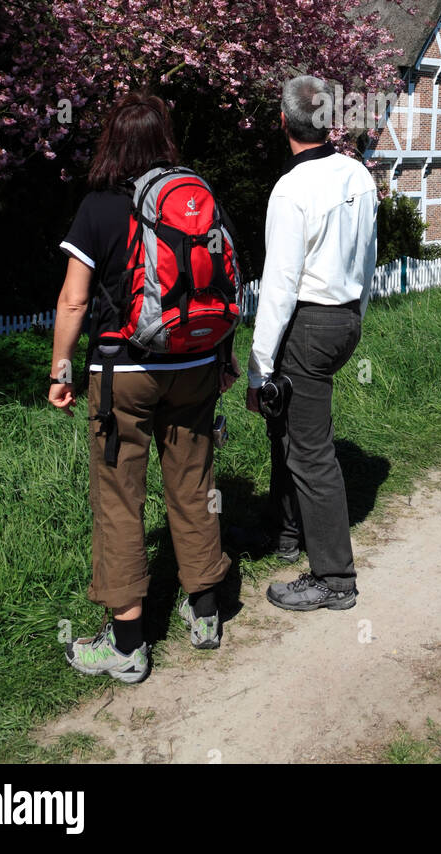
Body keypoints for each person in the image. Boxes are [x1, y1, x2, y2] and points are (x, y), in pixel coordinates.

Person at [48, 91, 239, 682]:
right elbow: (229, 283)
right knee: (194, 483)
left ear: (112, 142)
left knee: (119, 498)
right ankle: (205, 612)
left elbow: (74, 299)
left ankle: (127, 645)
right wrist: (226, 356)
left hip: (123, 375)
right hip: (197, 364)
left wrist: (60, 369)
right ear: (165, 140)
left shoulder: (99, 207)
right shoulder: (196, 198)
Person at [246, 75, 378, 612]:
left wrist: (257, 370)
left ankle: (334, 579)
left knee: (310, 449)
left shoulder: (290, 189)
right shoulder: (357, 174)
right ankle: (286, 532)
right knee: (294, 425)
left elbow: (278, 284)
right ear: (330, 121)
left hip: (308, 320)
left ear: (282, 122)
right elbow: (367, 257)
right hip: (345, 317)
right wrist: (357, 316)